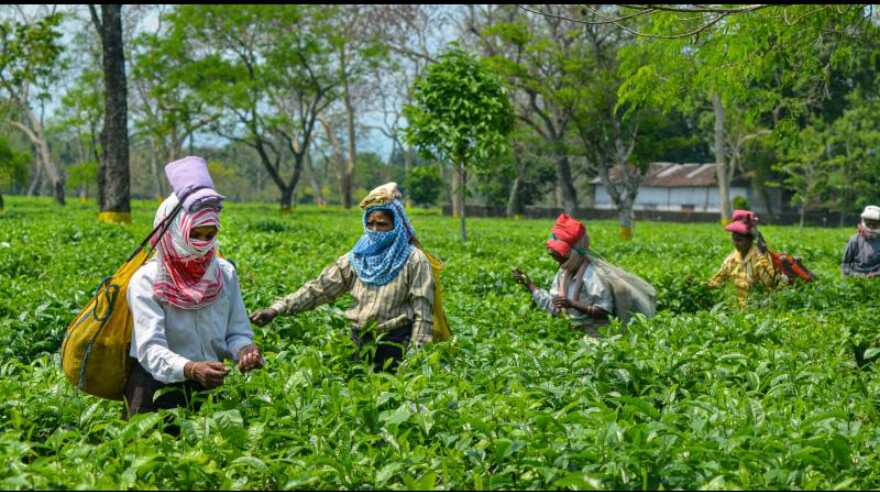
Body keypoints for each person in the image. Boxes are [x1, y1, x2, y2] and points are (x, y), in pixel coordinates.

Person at [125, 156, 263, 420]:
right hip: (154, 391)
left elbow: (236, 332)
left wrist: (244, 351)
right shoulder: (147, 280)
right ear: (174, 231)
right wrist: (189, 368)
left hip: (207, 388)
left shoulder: (223, 273)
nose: (202, 243)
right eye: (194, 235)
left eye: (209, 236)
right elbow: (150, 349)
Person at [249, 183, 434, 373]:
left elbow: (423, 314)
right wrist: (275, 309)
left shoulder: (414, 260)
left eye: (382, 224)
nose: (375, 230)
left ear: (396, 225)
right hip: (358, 341)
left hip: (395, 345)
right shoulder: (357, 257)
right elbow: (319, 289)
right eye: (370, 223)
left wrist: (414, 360)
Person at [511, 214, 614, 337]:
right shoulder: (564, 273)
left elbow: (605, 311)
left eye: (561, 257)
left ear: (573, 254)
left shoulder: (593, 275)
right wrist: (529, 284)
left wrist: (572, 304)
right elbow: (556, 307)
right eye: (556, 257)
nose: (558, 262)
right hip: (570, 333)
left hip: (595, 336)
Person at [707, 209, 786, 306]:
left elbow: (772, 285)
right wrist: (700, 286)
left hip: (759, 307)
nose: (736, 244)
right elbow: (717, 281)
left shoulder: (759, 259)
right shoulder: (731, 260)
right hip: (737, 307)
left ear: (750, 239)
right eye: (734, 239)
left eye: (740, 240)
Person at [841, 205, 880, 278]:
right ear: (863, 222)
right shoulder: (854, 240)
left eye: (875, 224)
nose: (871, 227)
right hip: (856, 277)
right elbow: (845, 264)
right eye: (869, 223)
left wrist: (876, 274)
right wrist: (857, 276)